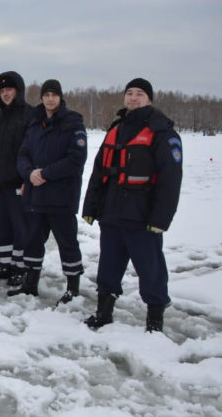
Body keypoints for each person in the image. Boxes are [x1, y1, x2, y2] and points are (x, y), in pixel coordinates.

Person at [82, 78, 182, 332]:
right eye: (129, 93)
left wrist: (161, 219)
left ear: (149, 99)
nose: (133, 98)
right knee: (109, 265)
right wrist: (90, 207)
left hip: (143, 216)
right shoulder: (116, 129)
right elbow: (99, 171)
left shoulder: (162, 132)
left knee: (150, 269)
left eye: (139, 94)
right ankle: (104, 313)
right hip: (111, 213)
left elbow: (170, 181)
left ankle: (155, 320)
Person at [8, 80, 87, 303]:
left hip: (61, 196)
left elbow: (76, 159)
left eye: (54, 95)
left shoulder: (73, 123)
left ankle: (73, 287)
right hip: (35, 196)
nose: (50, 99)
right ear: (41, 98)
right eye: (46, 95)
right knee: (32, 240)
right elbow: (22, 155)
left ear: (60, 98)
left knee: (67, 242)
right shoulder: (35, 124)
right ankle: (30, 284)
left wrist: (45, 173)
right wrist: (30, 173)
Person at [0, 71, 32, 286]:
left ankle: (20, 267)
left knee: (19, 226)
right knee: (1, 226)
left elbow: (33, 150)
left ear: (18, 91)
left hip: (19, 182)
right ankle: (5, 266)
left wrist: (27, 178)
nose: (5, 94)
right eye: (1, 91)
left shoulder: (29, 115)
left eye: (9, 89)